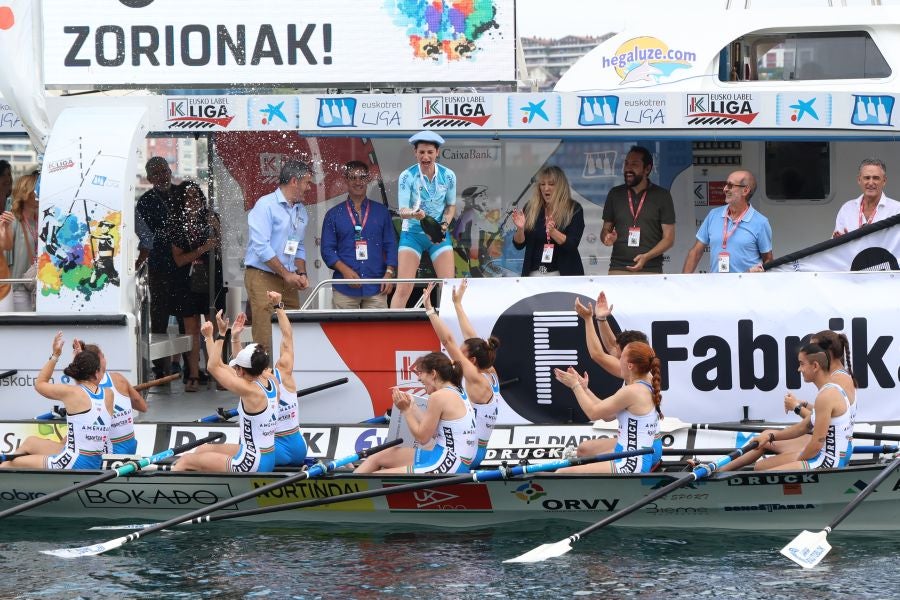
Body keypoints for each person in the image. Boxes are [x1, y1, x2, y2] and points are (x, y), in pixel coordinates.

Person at [723, 344, 854, 472]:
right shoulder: (829, 390)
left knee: (764, 475)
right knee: (759, 467)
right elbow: (802, 428)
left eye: (802, 364)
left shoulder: (826, 396)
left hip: (827, 462)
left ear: (815, 366)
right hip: (823, 456)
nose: (799, 369)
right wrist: (769, 436)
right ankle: (719, 471)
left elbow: (816, 445)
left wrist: (796, 463)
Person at [173, 313, 278, 472]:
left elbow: (213, 367)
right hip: (266, 456)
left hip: (250, 463)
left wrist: (217, 335)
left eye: (236, 367)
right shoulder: (270, 380)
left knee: (185, 461)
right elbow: (219, 365)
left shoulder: (248, 390)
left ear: (241, 372)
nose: (234, 369)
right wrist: (233, 336)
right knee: (203, 449)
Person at [1, 332, 112, 469]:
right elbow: (89, 388)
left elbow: (40, 384)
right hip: (93, 461)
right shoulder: (108, 394)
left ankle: (8, 473)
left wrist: (55, 355)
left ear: (77, 372)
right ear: (96, 372)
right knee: (31, 442)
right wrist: (82, 357)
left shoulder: (71, 393)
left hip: (71, 462)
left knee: (11, 464)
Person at [421, 280, 501, 468]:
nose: (457, 353)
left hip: (470, 453)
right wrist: (458, 304)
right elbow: (472, 339)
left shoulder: (475, 379)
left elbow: (447, 340)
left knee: (418, 440)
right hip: (477, 448)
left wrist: (430, 311)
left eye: (461, 353)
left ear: (471, 361)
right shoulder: (490, 370)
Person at [354, 352, 476, 474]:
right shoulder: (459, 391)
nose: (418, 378)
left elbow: (423, 437)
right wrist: (412, 407)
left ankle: (352, 485)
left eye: (421, 373)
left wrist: (406, 410)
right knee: (378, 457)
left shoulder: (438, 396)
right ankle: (352, 482)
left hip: (446, 463)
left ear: (433, 374)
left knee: (375, 476)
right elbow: (433, 432)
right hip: (450, 458)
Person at [553, 341, 663, 473]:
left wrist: (575, 386)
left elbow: (592, 413)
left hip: (629, 463)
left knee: (561, 473)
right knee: (583, 453)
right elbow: (607, 415)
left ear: (629, 366)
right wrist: (584, 389)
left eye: (621, 357)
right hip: (627, 455)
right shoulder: (645, 384)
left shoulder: (632, 391)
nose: (617, 360)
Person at [231, 292, 308, 467]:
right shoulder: (284, 371)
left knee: (239, 446)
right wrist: (278, 306)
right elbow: (287, 336)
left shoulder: (253, 384)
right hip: (299, 448)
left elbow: (240, 364)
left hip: (274, 451)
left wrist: (234, 337)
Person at [244, 160, 312, 356]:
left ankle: (288, 381)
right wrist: (286, 273)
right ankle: (263, 381)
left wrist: (301, 272)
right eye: (307, 183)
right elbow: (261, 247)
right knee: (265, 335)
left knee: (291, 329)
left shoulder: (301, 210)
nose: (308, 188)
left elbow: (298, 246)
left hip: (287, 277)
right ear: (293, 181)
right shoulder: (265, 205)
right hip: (262, 275)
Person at [390, 131, 457, 309]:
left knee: (449, 287)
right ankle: (391, 334)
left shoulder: (448, 175)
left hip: (437, 234)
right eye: (421, 152)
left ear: (437, 152)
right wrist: (414, 214)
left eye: (429, 152)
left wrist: (444, 224)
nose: (425, 156)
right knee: (404, 288)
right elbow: (402, 210)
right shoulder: (407, 176)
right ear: (415, 153)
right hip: (412, 234)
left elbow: (451, 206)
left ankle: (453, 334)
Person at [170, 181, 225, 392]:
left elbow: (222, 248)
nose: (192, 200)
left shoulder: (210, 218)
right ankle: (193, 373)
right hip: (187, 281)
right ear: (182, 201)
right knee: (192, 330)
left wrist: (217, 230)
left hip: (212, 279)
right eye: (188, 196)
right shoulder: (177, 224)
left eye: (196, 196)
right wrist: (203, 248)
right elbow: (179, 260)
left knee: (216, 327)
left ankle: (218, 373)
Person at [321, 161, 397, 309]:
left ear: (368, 180)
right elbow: (327, 250)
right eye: (353, 178)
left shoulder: (381, 212)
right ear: (346, 180)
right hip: (344, 287)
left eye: (362, 177)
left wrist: (389, 274)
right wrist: (345, 270)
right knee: (343, 333)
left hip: (376, 286)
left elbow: (391, 245)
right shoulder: (333, 214)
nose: (358, 182)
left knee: (377, 332)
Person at [601, 146, 676, 274]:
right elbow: (605, 230)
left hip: (650, 269)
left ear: (647, 169)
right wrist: (606, 238)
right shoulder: (615, 194)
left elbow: (669, 239)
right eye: (626, 164)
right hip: (618, 268)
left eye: (634, 164)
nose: (628, 168)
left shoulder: (662, 196)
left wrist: (646, 257)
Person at [682, 170, 773, 273]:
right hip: (717, 285)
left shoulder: (761, 222)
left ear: (745, 190)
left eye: (730, 185)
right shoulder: (713, 215)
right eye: (726, 185)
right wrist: (682, 283)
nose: (725, 189)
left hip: (746, 287)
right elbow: (696, 252)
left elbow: (768, 259)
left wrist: (759, 272)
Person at [136, 157, 177, 380]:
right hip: (159, 266)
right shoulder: (145, 202)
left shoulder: (181, 194)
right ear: (150, 178)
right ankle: (161, 367)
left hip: (185, 266)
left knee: (185, 316)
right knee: (159, 315)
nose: (163, 176)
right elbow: (145, 239)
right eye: (158, 173)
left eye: (166, 170)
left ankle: (184, 365)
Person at [73, 339, 148, 455]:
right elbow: (143, 406)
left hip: (110, 449)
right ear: (99, 359)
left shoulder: (86, 385)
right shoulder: (118, 378)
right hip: (131, 445)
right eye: (103, 356)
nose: (105, 359)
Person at [512, 165, 585, 276]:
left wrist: (553, 232)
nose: (546, 188)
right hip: (534, 275)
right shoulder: (531, 208)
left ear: (560, 186)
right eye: (542, 184)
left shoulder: (573, 209)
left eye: (551, 184)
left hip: (563, 275)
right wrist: (520, 229)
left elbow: (572, 244)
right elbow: (519, 245)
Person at [575, 290, 648, 378]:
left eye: (619, 353)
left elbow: (597, 354)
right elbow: (612, 346)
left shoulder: (632, 372)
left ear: (628, 354)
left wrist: (587, 319)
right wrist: (601, 318)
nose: (614, 351)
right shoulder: (640, 367)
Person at [0, 170, 40, 311]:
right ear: (26, 193)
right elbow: (6, 251)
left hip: (36, 284)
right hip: (18, 287)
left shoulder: (39, 221)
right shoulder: (13, 220)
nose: (38, 197)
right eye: (35, 192)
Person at [833, 158, 900, 237]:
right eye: (867, 178)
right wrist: (838, 240)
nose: (871, 183)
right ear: (859, 180)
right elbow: (836, 243)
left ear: (884, 181)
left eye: (876, 178)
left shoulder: (897, 209)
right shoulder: (847, 209)